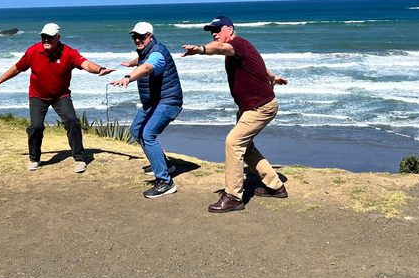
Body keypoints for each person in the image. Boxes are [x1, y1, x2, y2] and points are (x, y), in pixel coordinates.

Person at [182, 15, 289, 213]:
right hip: (249, 107)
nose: (214, 33)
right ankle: (276, 186)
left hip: (261, 107)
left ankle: (233, 197)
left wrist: (200, 50)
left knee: (233, 143)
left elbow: (221, 48)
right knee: (245, 148)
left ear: (230, 29)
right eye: (211, 31)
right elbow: (259, 65)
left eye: (218, 29)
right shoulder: (239, 50)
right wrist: (274, 77)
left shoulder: (237, 44)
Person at [0, 23, 114, 173]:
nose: (46, 40)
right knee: (36, 127)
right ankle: (34, 158)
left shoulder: (69, 52)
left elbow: (85, 64)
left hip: (60, 95)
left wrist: (100, 69)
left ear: (58, 37)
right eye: (44, 37)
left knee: (72, 122)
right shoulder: (33, 51)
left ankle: (79, 158)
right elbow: (17, 68)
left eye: (50, 37)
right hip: (38, 96)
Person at [109, 22, 183, 199]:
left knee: (148, 135)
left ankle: (165, 182)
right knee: (136, 130)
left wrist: (129, 77)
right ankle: (164, 164)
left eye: (141, 36)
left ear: (150, 36)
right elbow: (142, 61)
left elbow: (148, 67)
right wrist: (131, 63)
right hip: (154, 102)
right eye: (134, 36)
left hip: (167, 102)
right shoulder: (146, 51)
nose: (137, 40)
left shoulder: (157, 53)